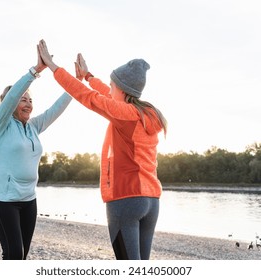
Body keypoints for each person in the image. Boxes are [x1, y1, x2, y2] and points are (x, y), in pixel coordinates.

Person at [38, 39, 167, 260]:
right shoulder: (148, 114)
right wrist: (89, 77)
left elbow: (88, 97)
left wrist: (53, 67)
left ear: (123, 89)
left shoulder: (125, 115)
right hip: (151, 201)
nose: (110, 88)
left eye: (112, 84)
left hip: (126, 199)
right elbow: (106, 95)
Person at [0, 44, 72, 260]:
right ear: (10, 103)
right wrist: (35, 71)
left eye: (30, 100)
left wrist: (75, 85)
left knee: (22, 256)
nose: (28, 103)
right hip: (2, 199)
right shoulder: (0, 125)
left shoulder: (33, 127)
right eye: (22, 99)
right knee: (14, 254)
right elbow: (13, 96)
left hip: (28, 199)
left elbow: (55, 109)